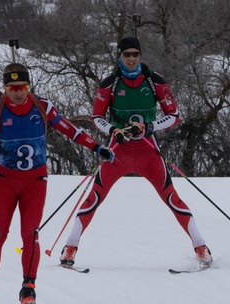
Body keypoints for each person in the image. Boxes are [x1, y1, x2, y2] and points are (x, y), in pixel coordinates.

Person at [0, 62, 113, 304]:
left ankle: (28, 289)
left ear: (28, 86)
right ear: (5, 88)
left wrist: (96, 147)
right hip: (4, 181)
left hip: (35, 182)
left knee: (30, 235)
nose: (18, 92)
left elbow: (69, 129)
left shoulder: (42, 106)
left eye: (22, 87)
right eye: (12, 88)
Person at [58, 37, 212, 268]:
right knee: (94, 197)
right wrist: (114, 130)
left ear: (140, 55)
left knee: (171, 197)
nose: (131, 58)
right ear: (119, 56)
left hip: (147, 151)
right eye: (126, 54)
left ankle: (201, 247)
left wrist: (150, 127)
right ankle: (70, 247)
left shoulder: (154, 80)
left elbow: (174, 116)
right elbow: (97, 117)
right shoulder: (109, 83)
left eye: (135, 54)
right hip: (118, 151)